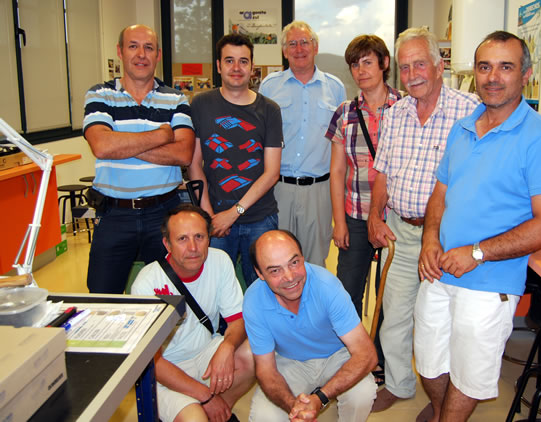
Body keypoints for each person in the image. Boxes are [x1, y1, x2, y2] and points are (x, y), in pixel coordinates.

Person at [416, 31, 541, 422]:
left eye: (506, 67)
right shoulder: (462, 128)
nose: (493, 77)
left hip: (489, 282)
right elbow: (440, 194)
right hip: (439, 271)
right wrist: (429, 239)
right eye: (485, 67)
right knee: (430, 362)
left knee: (469, 377)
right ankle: (439, 414)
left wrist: (477, 253)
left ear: (526, 75)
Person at [367, 27, 480, 412]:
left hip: (448, 237)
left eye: (419, 64)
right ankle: (399, 384)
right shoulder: (395, 113)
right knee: (394, 317)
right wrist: (374, 216)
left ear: (438, 65)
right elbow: (381, 172)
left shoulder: (470, 110)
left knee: (443, 324)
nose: (412, 73)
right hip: (400, 231)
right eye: (404, 67)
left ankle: (446, 395)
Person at [83, 24, 194, 294]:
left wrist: (122, 142)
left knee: (172, 297)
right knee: (102, 297)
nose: (141, 54)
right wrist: (161, 134)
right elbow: (101, 145)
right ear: (120, 52)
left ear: (158, 54)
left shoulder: (176, 98)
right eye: (133, 46)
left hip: (164, 213)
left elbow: (183, 154)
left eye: (148, 47)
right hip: (113, 215)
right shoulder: (100, 95)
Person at [325, 34, 401, 387]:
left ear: (384, 63)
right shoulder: (345, 112)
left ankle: (382, 361)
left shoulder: (406, 106)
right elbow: (338, 170)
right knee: (347, 290)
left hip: (395, 219)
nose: (361, 70)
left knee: (391, 294)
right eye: (355, 63)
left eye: (368, 61)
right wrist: (339, 221)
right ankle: (353, 357)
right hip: (355, 216)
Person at [131, 204, 255, 422]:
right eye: (182, 239)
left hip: (205, 353)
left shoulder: (220, 261)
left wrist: (227, 346)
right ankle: (204, 408)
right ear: (166, 244)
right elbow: (152, 361)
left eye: (199, 236)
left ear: (209, 238)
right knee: (194, 419)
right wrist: (205, 396)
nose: (193, 247)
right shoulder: (147, 282)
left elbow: (238, 320)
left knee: (255, 353)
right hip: (165, 372)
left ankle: (220, 412)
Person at [243, 230, 377, 422]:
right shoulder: (253, 300)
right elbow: (266, 370)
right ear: (259, 273)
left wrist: (319, 399)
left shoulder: (327, 287)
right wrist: (294, 408)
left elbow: (367, 354)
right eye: (275, 270)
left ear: (303, 258)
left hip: (336, 356)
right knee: (264, 417)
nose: (289, 277)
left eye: (294, 262)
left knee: (362, 394)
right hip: (290, 361)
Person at [188, 33, 282, 286]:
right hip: (214, 220)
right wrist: (208, 215)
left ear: (252, 67)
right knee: (214, 292)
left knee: (263, 293)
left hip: (260, 219)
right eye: (229, 61)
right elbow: (194, 164)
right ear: (218, 66)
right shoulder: (200, 105)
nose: (236, 68)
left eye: (243, 61)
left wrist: (234, 212)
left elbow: (272, 172)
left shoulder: (269, 110)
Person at [258, 21, 346, 267]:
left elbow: (341, 145)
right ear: (284, 51)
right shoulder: (269, 86)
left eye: (304, 42)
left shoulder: (335, 88)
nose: (299, 49)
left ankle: (312, 307)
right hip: (278, 189)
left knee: (315, 263)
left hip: (319, 192)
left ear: (315, 47)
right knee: (276, 260)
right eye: (292, 44)